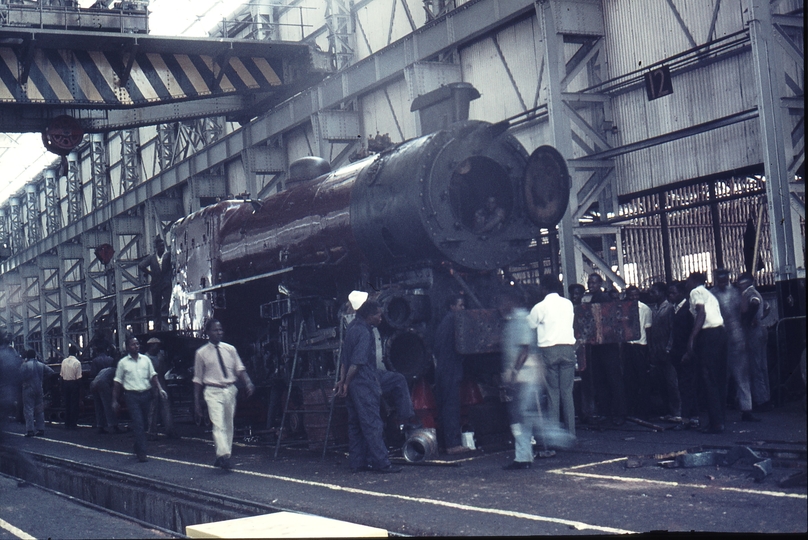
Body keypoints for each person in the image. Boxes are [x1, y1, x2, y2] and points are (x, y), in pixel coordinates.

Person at [334, 300, 402, 473]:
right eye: (378, 314)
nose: (381, 318)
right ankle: (382, 463)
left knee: (355, 424)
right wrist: (347, 383)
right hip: (363, 383)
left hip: (352, 384)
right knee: (372, 424)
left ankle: (358, 463)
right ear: (369, 316)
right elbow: (357, 363)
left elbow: (344, 360)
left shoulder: (351, 328)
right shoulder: (364, 332)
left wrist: (342, 382)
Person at [193, 319, 255, 470]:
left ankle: (222, 455)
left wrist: (247, 382)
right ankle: (224, 455)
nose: (219, 332)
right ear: (207, 332)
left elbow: (239, 368)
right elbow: (197, 379)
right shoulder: (201, 354)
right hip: (213, 390)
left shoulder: (230, 349)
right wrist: (196, 402)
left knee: (228, 424)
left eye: (220, 329)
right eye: (215, 330)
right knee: (218, 423)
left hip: (229, 389)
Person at [529, 276, 577, 440]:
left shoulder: (539, 307)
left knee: (552, 394)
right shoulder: (568, 303)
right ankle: (571, 434)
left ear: (544, 289)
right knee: (567, 394)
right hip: (568, 350)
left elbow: (530, 325)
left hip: (549, 351)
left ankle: (556, 436)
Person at [500, 291, 541, 469]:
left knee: (523, 417)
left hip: (525, 376)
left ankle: (562, 439)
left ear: (512, 301)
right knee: (521, 417)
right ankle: (523, 457)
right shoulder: (512, 321)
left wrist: (515, 372)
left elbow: (524, 349)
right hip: (521, 376)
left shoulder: (522, 320)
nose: (500, 306)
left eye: (503, 301)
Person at [712, 269, 758, 422]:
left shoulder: (735, 293)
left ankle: (746, 409)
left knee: (740, 376)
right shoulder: (716, 294)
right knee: (725, 376)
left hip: (734, 337)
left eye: (724, 279)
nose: (723, 282)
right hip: (723, 337)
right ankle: (726, 410)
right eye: (720, 280)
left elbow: (745, 311)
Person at [685, 272, 727, 434]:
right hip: (721, 334)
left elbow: (701, 313)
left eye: (688, 280)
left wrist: (692, 338)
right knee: (718, 379)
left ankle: (716, 424)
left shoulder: (696, 292)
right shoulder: (710, 294)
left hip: (708, 335)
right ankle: (719, 419)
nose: (686, 283)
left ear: (694, 281)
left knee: (708, 378)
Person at [113, 335, 166, 462]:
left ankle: (137, 446)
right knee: (138, 423)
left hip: (146, 395)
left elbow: (153, 376)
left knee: (146, 424)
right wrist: (114, 400)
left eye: (137, 344)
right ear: (127, 347)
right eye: (133, 344)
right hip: (131, 396)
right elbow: (117, 382)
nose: (136, 346)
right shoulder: (123, 363)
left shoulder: (146, 360)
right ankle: (142, 453)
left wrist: (160, 389)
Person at [585, 273, 626, 425]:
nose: (591, 285)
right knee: (602, 379)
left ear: (600, 284)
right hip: (598, 346)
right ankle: (607, 412)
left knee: (613, 380)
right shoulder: (593, 299)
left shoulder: (604, 299)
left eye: (594, 282)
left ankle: (618, 414)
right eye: (589, 282)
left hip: (608, 346)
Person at [432, 295, 471, 455]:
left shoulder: (444, 322)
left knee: (444, 406)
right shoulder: (453, 322)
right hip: (450, 368)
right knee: (451, 406)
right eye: (460, 305)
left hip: (442, 368)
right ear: (452, 306)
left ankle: (443, 443)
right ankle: (453, 444)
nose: (463, 309)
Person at [666, 282, 697, 429]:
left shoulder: (687, 310)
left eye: (673, 293)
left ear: (681, 293)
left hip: (686, 354)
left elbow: (692, 333)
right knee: (683, 385)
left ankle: (687, 418)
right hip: (677, 354)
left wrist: (688, 352)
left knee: (687, 386)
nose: (670, 296)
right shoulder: (674, 310)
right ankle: (691, 417)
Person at [738, 272, 771, 411]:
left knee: (755, 366)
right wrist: (760, 318)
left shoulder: (749, 293)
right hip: (760, 331)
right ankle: (765, 397)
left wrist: (748, 320)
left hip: (753, 334)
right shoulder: (755, 292)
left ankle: (761, 400)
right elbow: (767, 307)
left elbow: (755, 303)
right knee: (761, 366)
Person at [647, 282, 679, 422]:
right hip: (657, 351)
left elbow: (673, 330)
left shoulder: (669, 308)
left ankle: (677, 412)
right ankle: (667, 411)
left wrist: (668, 348)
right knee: (662, 383)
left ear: (661, 292)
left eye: (653, 292)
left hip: (667, 352)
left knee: (672, 383)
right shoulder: (653, 309)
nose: (651, 295)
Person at [622, 286, 653, 419]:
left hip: (640, 346)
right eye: (631, 296)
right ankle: (632, 409)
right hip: (627, 346)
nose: (633, 298)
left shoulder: (645, 309)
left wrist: (649, 351)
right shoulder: (622, 308)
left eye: (636, 295)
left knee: (643, 380)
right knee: (629, 379)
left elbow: (648, 330)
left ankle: (645, 411)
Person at [139, 235, 172, 331]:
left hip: (166, 284)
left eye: (163, 246)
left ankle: (168, 325)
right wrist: (150, 273)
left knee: (167, 304)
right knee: (156, 307)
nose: (162, 247)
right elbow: (141, 265)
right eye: (160, 246)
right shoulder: (152, 258)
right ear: (156, 247)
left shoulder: (167, 256)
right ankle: (157, 327)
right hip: (156, 285)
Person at [19, 349, 55, 437]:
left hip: (28, 388)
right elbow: (51, 372)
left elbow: (19, 376)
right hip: (39, 388)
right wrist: (43, 378)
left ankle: (30, 430)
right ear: (35, 355)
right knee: (39, 409)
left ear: (27, 356)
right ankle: (41, 429)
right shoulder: (41, 365)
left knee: (29, 409)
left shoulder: (25, 365)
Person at [145, 337, 175, 438]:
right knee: (153, 408)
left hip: (161, 381)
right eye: (156, 345)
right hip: (151, 383)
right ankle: (151, 431)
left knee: (166, 406)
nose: (158, 347)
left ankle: (169, 430)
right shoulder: (145, 358)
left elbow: (165, 368)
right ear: (151, 346)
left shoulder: (160, 356)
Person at [90, 364, 121, 434]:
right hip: (103, 384)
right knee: (108, 406)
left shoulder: (105, 370)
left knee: (98, 407)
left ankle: (100, 426)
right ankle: (114, 426)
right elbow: (116, 386)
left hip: (93, 383)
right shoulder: (117, 372)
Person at [60, 345, 82, 430]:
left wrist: (61, 387)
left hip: (65, 383)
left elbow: (61, 376)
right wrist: (81, 389)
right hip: (74, 384)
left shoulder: (64, 361)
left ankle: (67, 423)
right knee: (74, 404)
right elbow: (79, 377)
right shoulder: (77, 363)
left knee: (67, 404)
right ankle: (73, 423)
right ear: (76, 352)